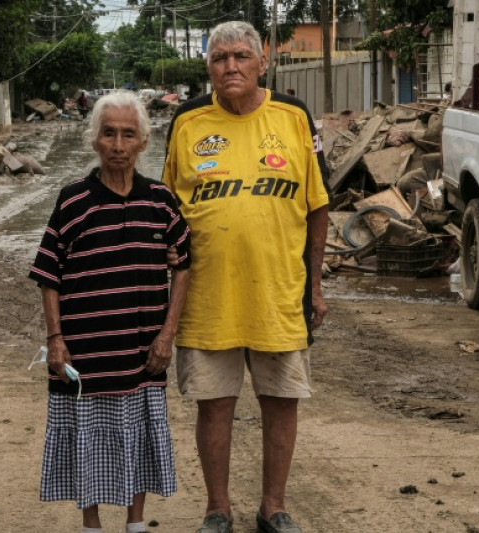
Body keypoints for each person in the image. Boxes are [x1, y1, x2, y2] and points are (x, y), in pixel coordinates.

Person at [162, 20, 330, 533]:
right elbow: (167, 212)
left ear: (263, 63)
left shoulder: (294, 116)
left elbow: (318, 205)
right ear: (207, 66)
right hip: (208, 295)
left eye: (240, 56)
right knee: (214, 406)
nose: (230, 66)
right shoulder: (189, 122)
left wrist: (316, 284)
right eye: (219, 58)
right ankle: (218, 509)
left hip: (280, 292)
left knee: (282, 401)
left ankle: (273, 508)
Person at [29, 91, 191, 533]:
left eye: (128, 135)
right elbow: (48, 275)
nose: (118, 144)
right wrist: (55, 340)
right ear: (94, 140)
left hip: (143, 351)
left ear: (143, 142)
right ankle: (92, 524)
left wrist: (167, 334)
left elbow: (185, 265)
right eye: (109, 134)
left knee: (137, 436)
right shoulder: (72, 201)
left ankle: (136, 523)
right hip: (86, 354)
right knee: (89, 439)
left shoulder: (160, 201)